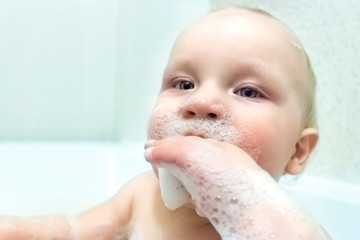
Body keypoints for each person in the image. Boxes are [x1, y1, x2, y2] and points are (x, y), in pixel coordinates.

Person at [0, 6, 332, 240]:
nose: (200, 102)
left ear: (298, 151)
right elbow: (69, 231)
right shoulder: (141, 197)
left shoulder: (284, 226)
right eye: (184, 84)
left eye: (247, 91)